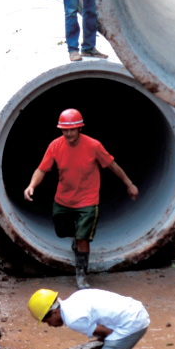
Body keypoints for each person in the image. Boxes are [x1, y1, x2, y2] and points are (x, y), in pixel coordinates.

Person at [22, 107, 138, 289]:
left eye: (72, 129)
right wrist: (31, 186)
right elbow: (42, 169)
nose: (69, 133)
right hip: (63, 200)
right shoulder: (55, 146)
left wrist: (129, 184)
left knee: (83, 238)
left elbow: (112, 165)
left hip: (88, 200)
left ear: (80, 128)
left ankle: (82, 275)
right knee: (62, 230)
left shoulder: (93, 146)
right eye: (65, 130)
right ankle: (76, 240)